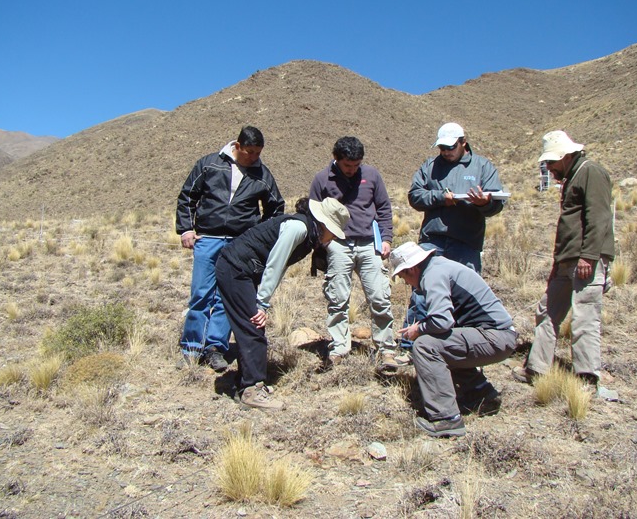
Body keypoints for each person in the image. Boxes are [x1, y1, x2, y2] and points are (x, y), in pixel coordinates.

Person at [215, 197, 350, 410]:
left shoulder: (307, 232)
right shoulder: (298, 228)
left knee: (250, 325)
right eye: (333, 231)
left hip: (242, 269)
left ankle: (244, 383)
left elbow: (280, 264)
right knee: (253, 325)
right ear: (324, 224)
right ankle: (252, 389)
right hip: (234, 268)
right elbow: (275, 264)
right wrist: (262, 304)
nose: (332, 237)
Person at [513, 131, 617, 401]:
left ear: (565, 156)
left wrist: (589, 256)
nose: (548, 168)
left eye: (551, 163)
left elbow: (599, 217)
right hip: (567, 259)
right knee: (547, 310)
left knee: (584, 317)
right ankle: (537, 368)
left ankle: (586, 379)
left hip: (585, 260)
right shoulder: (573, 176)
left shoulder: (591, 172)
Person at [175, 126, 284, 371]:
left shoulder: (262, 175)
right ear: (237, 145)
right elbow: (188, 196)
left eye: (258, 152)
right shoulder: (209, 164)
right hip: (208, 238)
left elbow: (276, 208)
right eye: (250, 152)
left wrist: (258, 238)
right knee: (200, 294)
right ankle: (192, 348)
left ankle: (215, 348)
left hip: (239, 244)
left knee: (227, 297)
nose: (254, 157)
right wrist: (186, 229)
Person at [399, 122, 507, 362]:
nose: (446, 152)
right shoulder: (430, 166)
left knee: (463, 294)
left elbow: (497, 202)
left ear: (463, 142)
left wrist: (483, 203)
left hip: (465, 241)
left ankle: (456, 348)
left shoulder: (482, 166)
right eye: (442, 147)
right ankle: (410, 345)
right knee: (422, 291)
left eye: (450, 147)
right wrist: (440, 198)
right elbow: (414, 196)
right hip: (433, 240)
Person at [391, 241, 516, 437]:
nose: (405, 283)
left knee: (425, 345)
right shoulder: (439, 266)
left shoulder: (432, 275)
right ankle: (479, 391)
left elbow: (441, 321)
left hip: (495, 337)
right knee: (441, 341)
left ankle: (446, 418)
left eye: (402, 276)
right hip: (498, 336)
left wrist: (419, 329)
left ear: (412, 268)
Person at [309, 136, 398, 367]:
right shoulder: (322, 179)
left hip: (369, 243)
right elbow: (314, 212)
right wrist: (324, 242)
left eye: (357, 165)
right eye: (348, 165)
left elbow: (384, 208)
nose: (352, 169)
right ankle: (339, 346)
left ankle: (386, 349)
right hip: (338, 244)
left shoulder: (372, 175)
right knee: (337, 298)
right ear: (336, 159)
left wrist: (386, 238)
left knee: (379, 297)